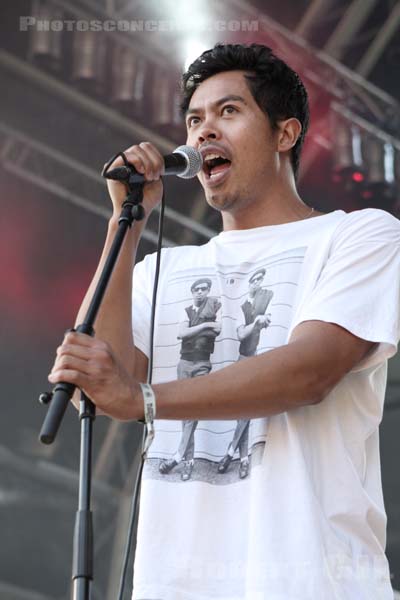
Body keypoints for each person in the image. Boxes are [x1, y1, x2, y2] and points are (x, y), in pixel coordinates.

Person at [49, 43, 400, 600]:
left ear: (285, 134)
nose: (203, 132)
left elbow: (310, 372)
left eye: (228, 112)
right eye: (194, 120)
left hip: (314, 582)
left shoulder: (358, 235)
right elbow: (99, 382)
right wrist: (126, 219)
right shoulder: (161, 269)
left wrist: (143, 400)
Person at [159, 277, 221, 481]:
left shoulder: (214, 307)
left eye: (205, 289)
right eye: (197, 289)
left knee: (194, 409)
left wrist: (207, 326)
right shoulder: (186, 311)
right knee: (186, 414)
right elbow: (182, 333)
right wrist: (205, 326)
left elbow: (219, 329)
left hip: (202, 362)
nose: (201, 292)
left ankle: (178, 457)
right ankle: (189, 462)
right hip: (184, 363)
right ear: (193, 292)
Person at [218, 268, 272, 478]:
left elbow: (270, 319)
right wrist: (256, 322)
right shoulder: (242, 306)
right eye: (255, 279)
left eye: (261, 279)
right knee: (246, 412)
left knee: (246, 413)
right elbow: (241, 334)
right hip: (243, 359)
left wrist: (263, 319)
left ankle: (238, 457)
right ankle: (237, 455)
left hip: (258, 357)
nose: (258, 282)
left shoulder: (266, 300)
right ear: (249, 283)